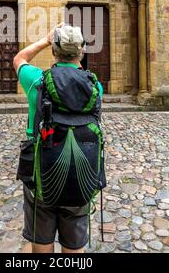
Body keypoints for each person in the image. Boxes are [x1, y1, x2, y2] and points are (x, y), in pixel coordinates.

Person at [13, 23, 104, 254]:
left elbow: (19, 58)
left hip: (41, 171)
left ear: (54, 50)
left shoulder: (37, 80)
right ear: (82, 51)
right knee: (74, 244)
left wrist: (45, 40)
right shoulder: (96, 86)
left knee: (41, 240)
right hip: (81, 172)